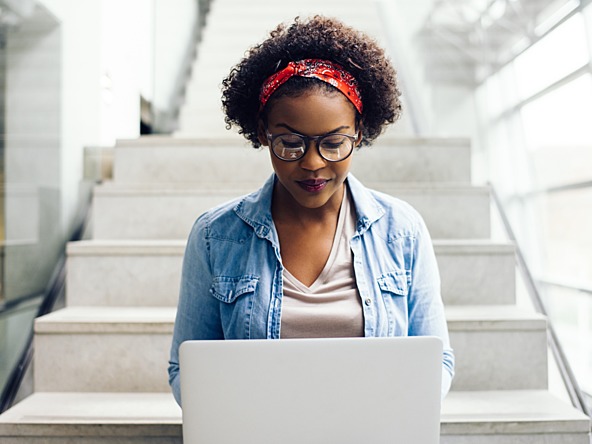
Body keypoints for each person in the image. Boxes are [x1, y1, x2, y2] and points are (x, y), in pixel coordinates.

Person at [168, 15, 454, 406]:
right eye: (290, 142)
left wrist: (395, 414)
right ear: (264, 133)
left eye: (334, 143)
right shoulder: (215, 235)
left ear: (359, 132)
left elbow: (438, 360)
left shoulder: (401, 230)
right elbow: (186, 369)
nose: (313, 164)